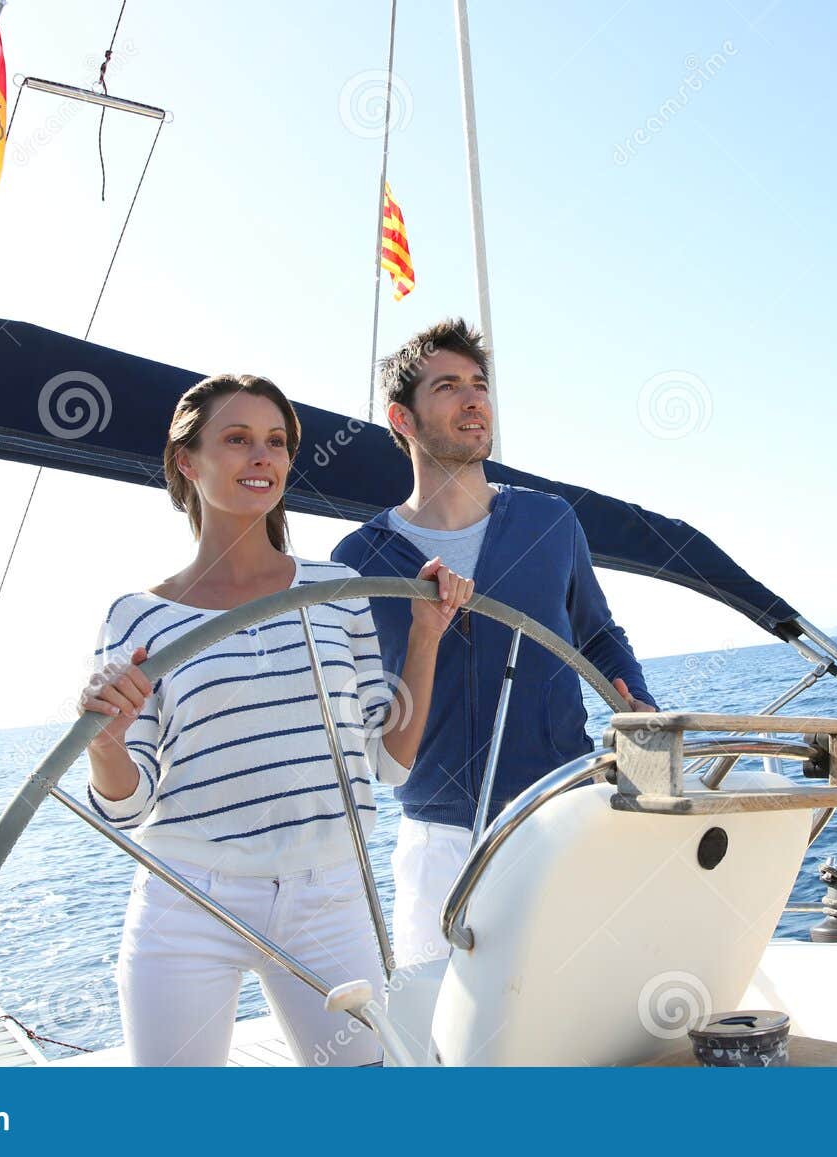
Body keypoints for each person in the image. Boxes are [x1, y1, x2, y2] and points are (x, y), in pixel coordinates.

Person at [80, 373, 472, 1066]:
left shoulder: (337, 593)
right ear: (187, 461)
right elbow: (125, 805)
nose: (262, 456)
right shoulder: (137, 617)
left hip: (329, 892)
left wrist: (425, 635)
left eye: (276, 442)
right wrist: (106, 742)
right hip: (188, 898)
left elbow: (388, 763)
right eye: (237, 439)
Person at [332, 320, 655, 968]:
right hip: (438, 843)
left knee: (585, 1002)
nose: (473, 399)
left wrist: (638, 705)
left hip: (564, 812)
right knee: (442, 1021)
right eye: (447, 386)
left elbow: (597, 634)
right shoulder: (358, 560)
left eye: (479, 384)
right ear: (401, 418)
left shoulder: (550, 521)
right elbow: (358, 713)